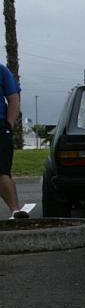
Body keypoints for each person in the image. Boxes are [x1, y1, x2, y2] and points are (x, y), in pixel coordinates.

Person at [0, 62, 28, 219]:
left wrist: (8, 125)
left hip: (0, 126)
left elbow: (13, 99)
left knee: (2, 172)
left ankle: (15, 210)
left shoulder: (1, 71)